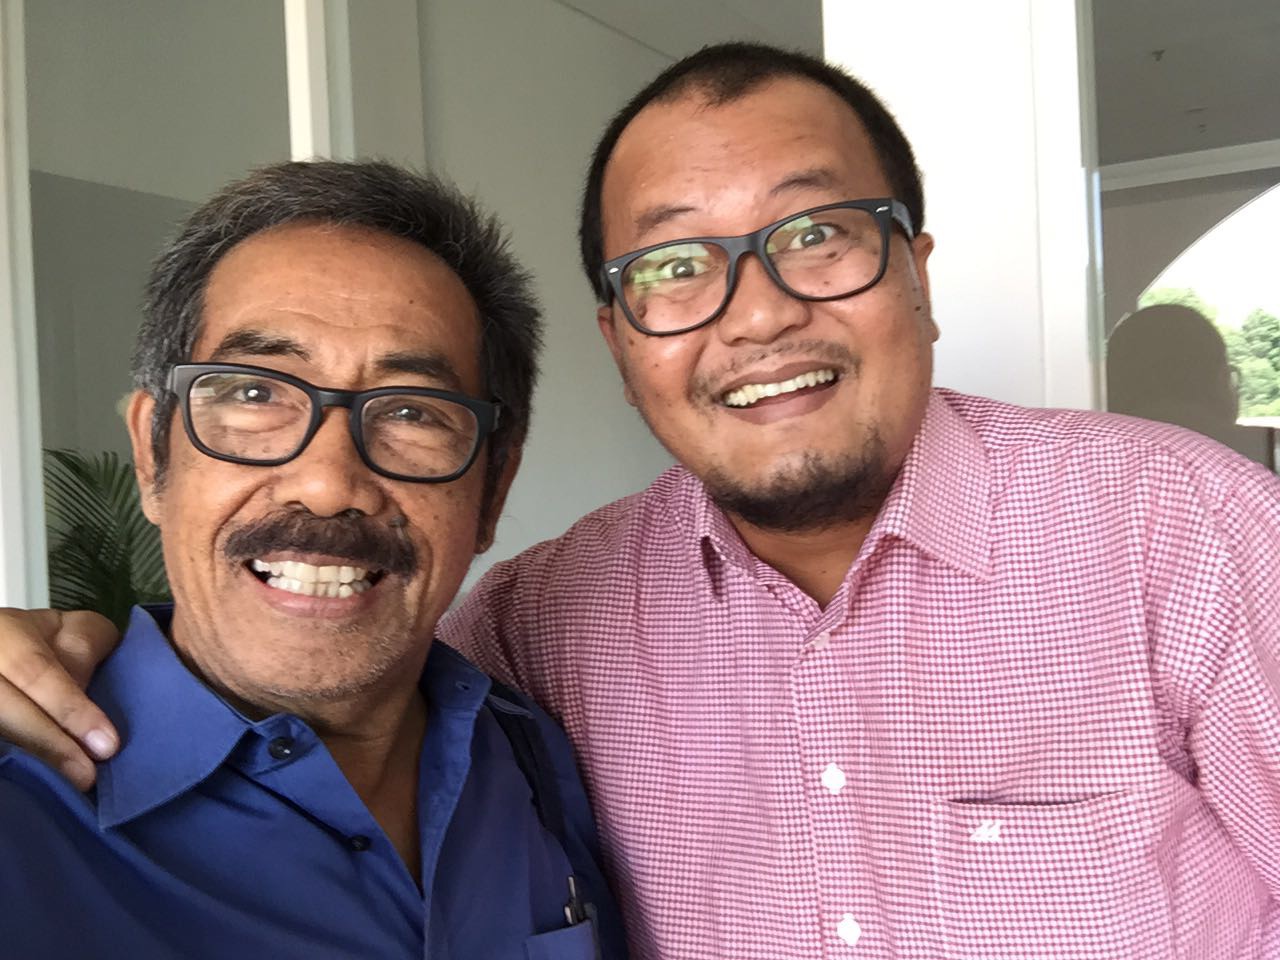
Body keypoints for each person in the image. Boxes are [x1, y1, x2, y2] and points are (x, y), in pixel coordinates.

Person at [3, 41, 1279, 959]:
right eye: (672, 265)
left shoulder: (1186, 532)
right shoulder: (540, 629)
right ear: (622, 341)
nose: (758, 314)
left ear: (916, 274)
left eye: (817, 235)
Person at [0, 160, 625, 959]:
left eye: (412, 411)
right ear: (153, 457)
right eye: (255, 393)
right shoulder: (22, 806)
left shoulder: (533, 754)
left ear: (492, 490)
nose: (329, 485)